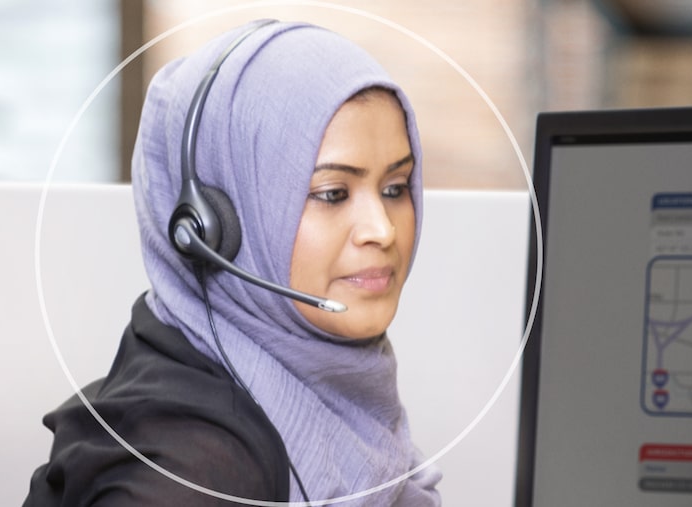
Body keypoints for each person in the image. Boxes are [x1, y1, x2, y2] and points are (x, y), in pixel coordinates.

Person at [23, 20, 441, 506]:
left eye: (395, 188)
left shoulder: (337, 406)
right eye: (332, 193)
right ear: (213, 227)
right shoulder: (191, 472)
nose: (382, 230)